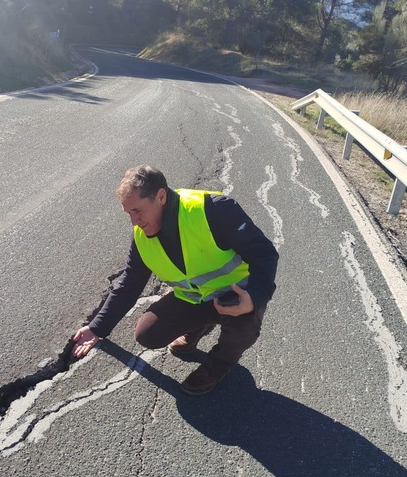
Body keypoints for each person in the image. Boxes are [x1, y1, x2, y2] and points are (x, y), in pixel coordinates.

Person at [73, 165, 279, 395]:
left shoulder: (213, 210)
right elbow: (129, 284)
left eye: (138, 211)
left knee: (245, 325)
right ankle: (200, 325)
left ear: (160, 196)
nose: (134, 222)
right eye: (128, 213)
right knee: (147, 334)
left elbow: (264, 254)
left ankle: (217, 366)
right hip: (195, 298)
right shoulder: (142, 235)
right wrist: (97, 328)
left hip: (236, 295)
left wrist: (254, 298)